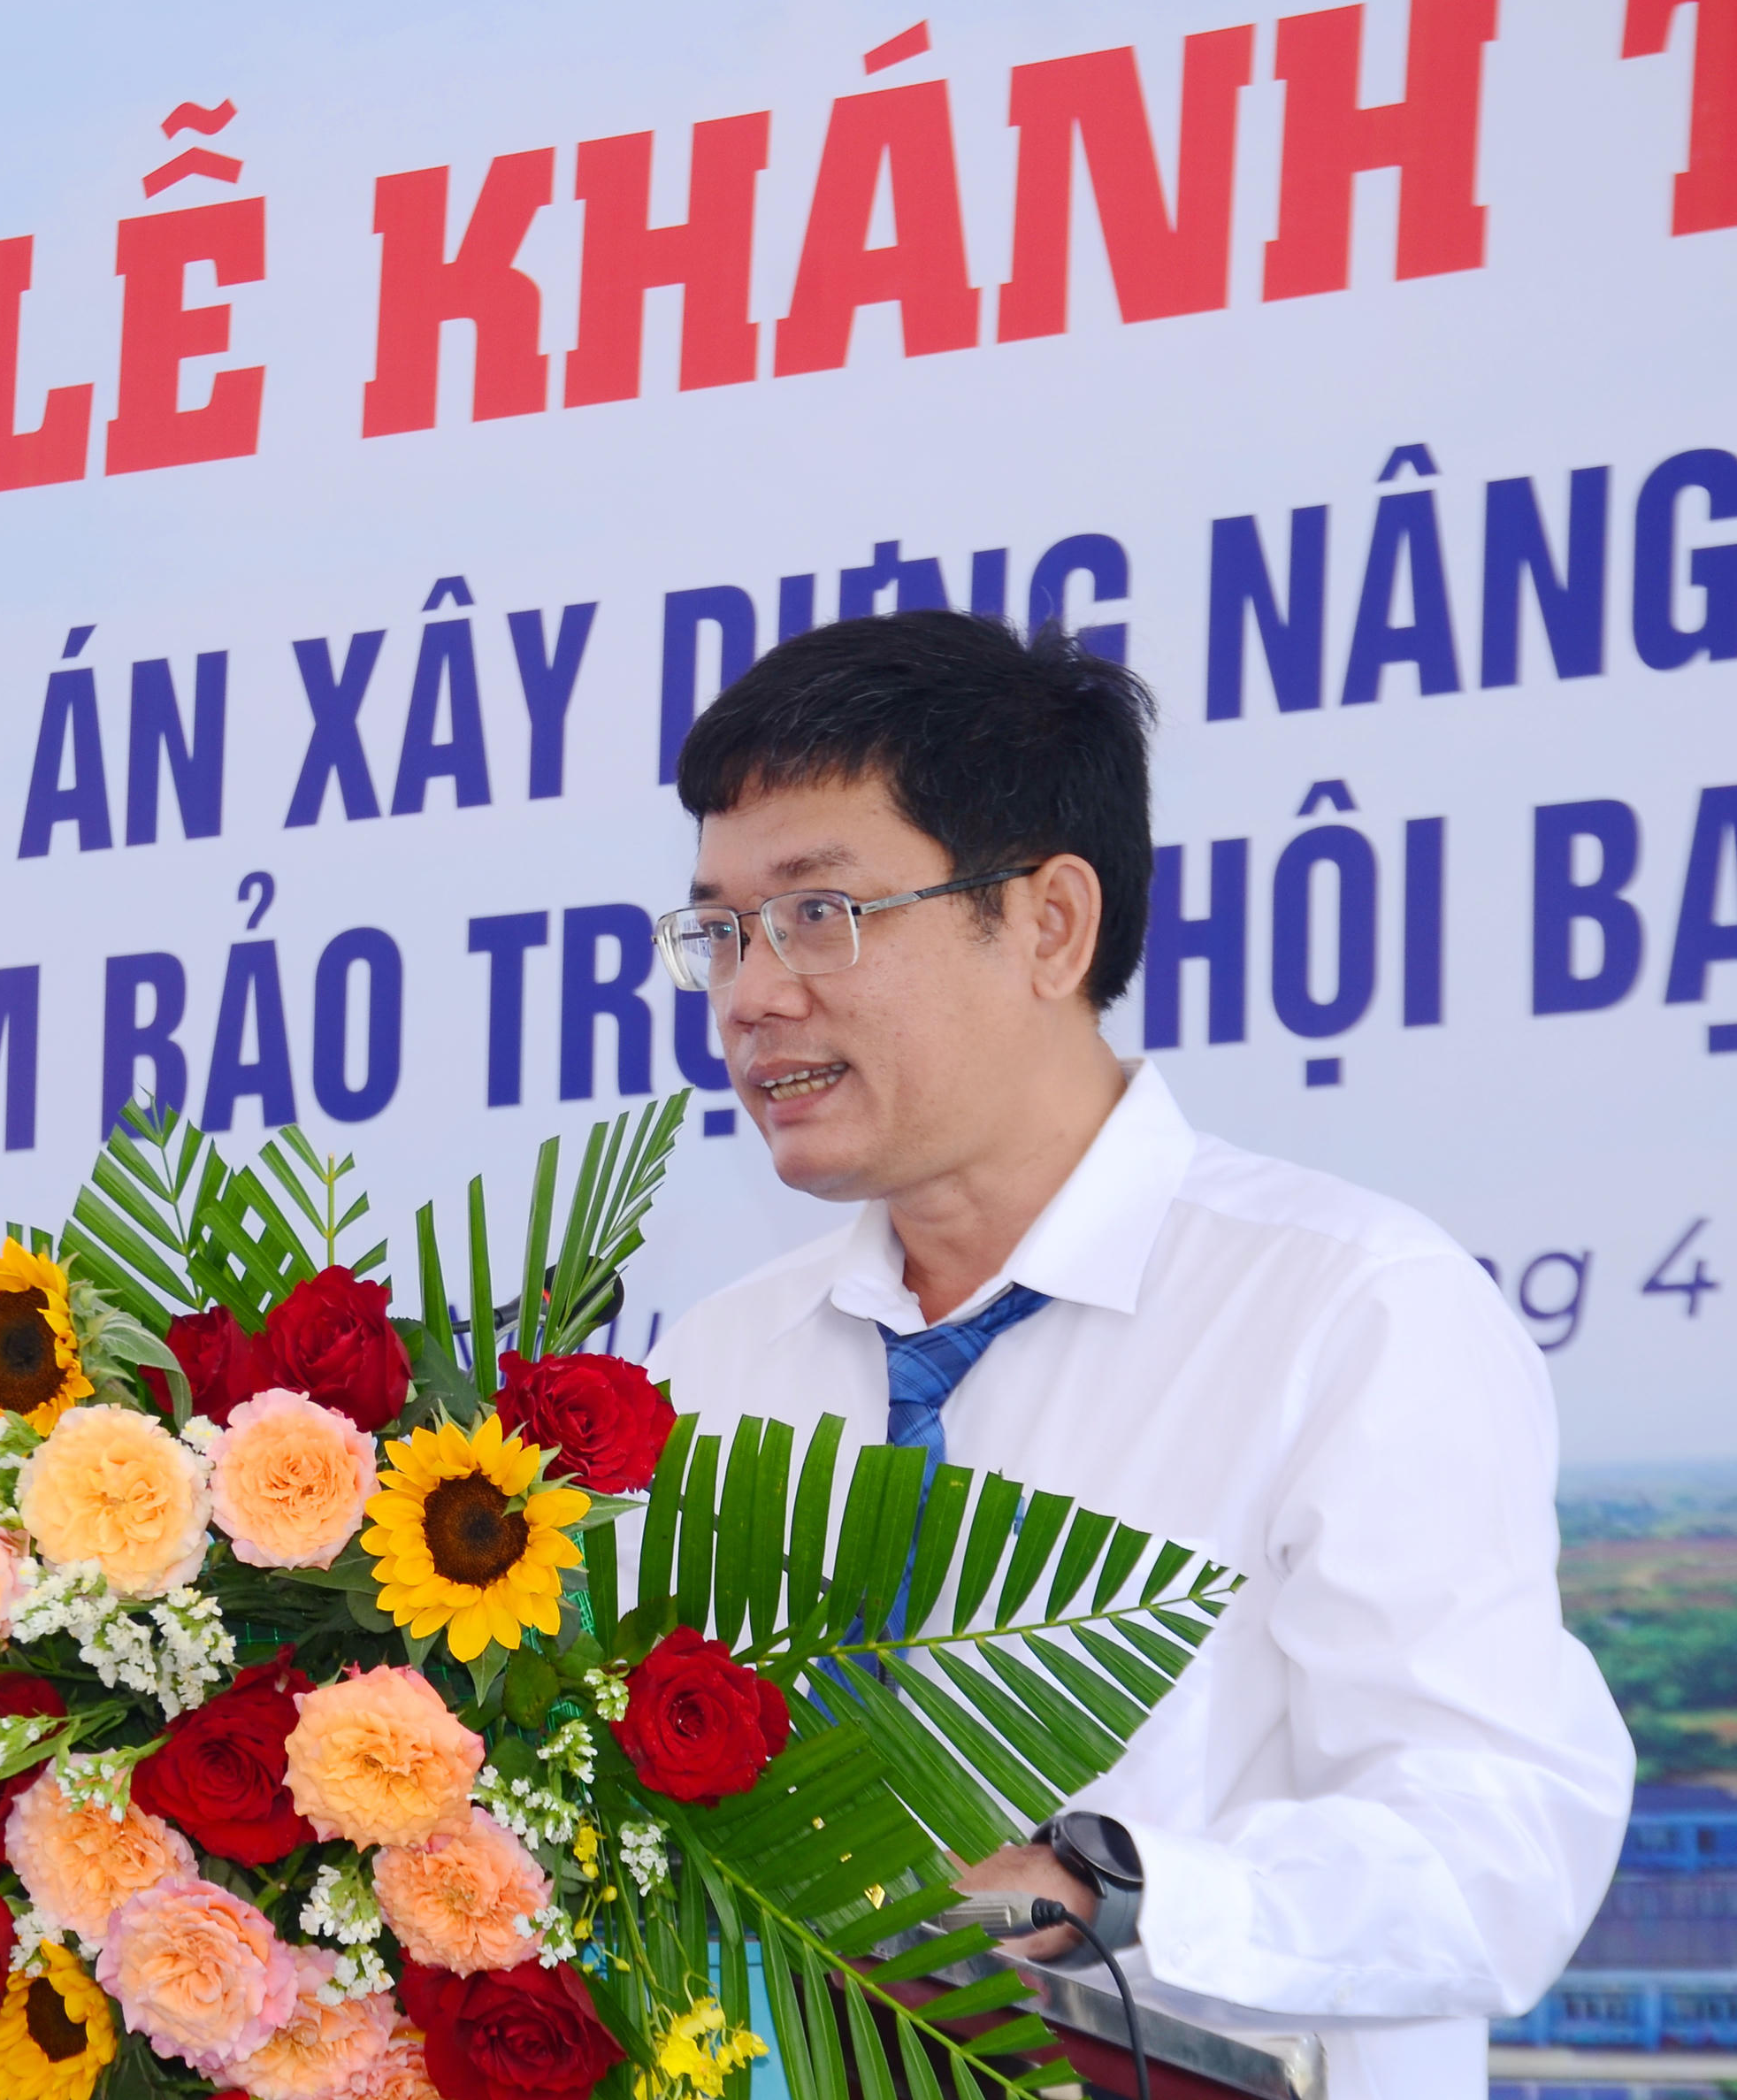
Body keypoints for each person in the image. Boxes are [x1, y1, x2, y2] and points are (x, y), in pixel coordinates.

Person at [647, 611, 1630, 2099]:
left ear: (1049, 925)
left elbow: (1500, 1847)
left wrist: (1106, 1887)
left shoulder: (1349, 1311)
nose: (752, 994)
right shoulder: (720, 1363)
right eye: (721, 931)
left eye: (819, 914)